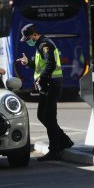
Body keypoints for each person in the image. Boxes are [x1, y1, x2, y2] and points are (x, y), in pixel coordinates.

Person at [16, 23, 74, 161]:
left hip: (50, 84)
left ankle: (55, 149)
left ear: (35, 35)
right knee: (43, 115)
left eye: (28, 38)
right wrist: (28, 63)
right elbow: (40, 65)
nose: (28, 41)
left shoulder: (44, 45)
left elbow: (50, 64)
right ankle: (64, 140)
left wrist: (42, 79)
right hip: (48, 84)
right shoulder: (40, 45)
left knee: (48, 116)